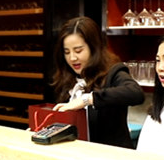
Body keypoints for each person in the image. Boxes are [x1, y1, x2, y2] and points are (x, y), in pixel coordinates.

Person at [51, 16, 144, 148]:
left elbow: (135, 93)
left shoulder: (113, 72)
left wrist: (88, 99)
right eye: (66, 52)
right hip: (75, 153)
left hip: (109, 154)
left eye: (78, 50)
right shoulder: (66, 79)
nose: (72, 58)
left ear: (93, 48)